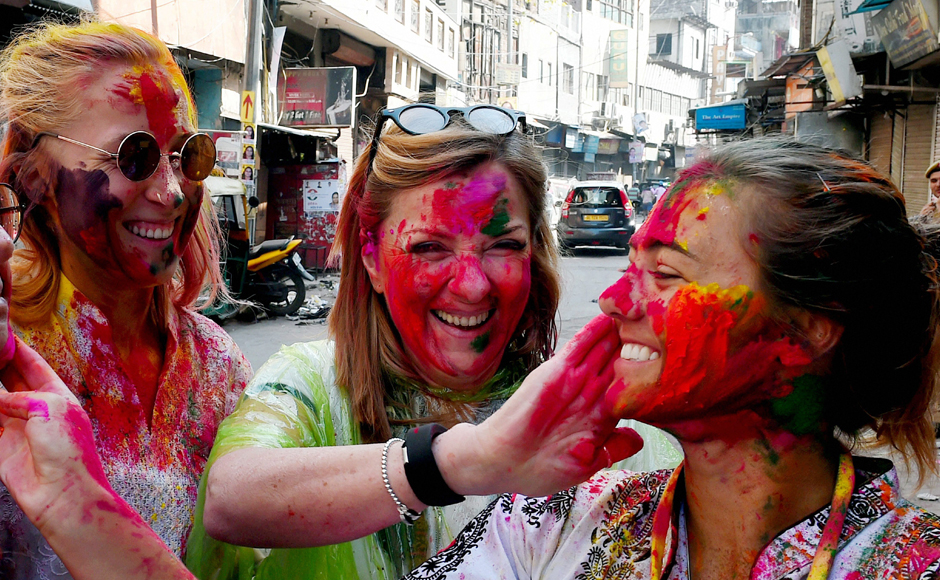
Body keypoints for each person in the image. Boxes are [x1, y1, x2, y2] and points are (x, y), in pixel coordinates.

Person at [398, 138, 940, 579]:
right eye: (632, 264)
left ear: (807, 329)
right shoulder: (557, 520)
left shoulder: (914, 565)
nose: (613, 300)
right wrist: (476, 457)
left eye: (666, 274)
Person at [185, 104, 675, 579]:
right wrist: (460, 463)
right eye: (429, 247)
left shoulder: (588, 417)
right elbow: (230, 499)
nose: (472, 285)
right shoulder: (310, 386)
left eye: (504, 245)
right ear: (373, 260)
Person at [0, 21, 251, 577]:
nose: (169, 191)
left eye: (188, 155)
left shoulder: (217, 366)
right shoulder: (9, 357)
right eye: (133, 157)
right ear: (33, 179)